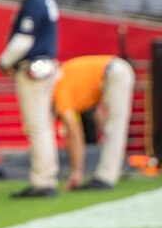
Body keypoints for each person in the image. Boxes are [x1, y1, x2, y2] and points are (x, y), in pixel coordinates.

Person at [0, 0, 61, 198]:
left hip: (35, 68)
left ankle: (43, 180)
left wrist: (4, 62)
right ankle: (46, 176)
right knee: (42, 125)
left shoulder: (35, 1)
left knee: (37, 126)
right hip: (44, 66)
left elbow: (23, 41)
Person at [50, 54, 133, 192]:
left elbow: (74, 134)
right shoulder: (63, 83)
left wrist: (76, 172)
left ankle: (106, 177)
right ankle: (108, 172)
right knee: (112, 128)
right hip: (111, 71)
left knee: (114, 128)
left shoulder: (59, 95)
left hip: (113, 71)